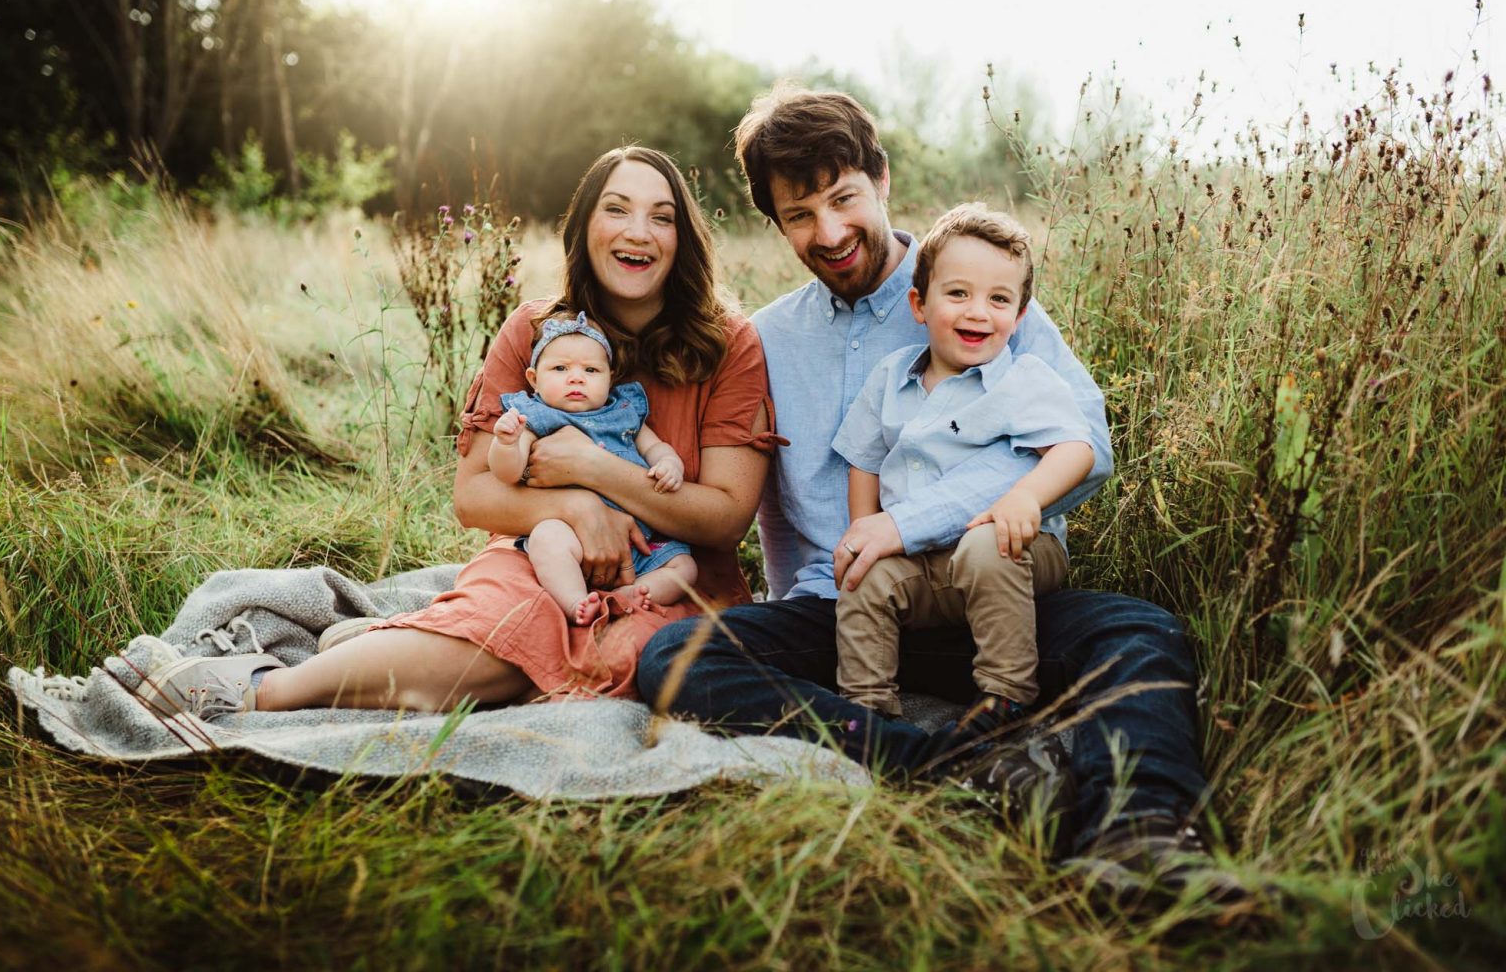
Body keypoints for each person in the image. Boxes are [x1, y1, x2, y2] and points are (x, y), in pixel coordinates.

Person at [638, 85, 1219, 882]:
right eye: (799, 214)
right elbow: (707, 479)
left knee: (1139, 633)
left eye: (843, 198)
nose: (830, 231)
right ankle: (959, 762)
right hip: (846, 608)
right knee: (679, 658)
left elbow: (1085, 442)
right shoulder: (763, 339)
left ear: (881, 180)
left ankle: (1143, 834)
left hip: (998, 595)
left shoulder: (969, 286)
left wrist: (912, 525)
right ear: (775, 224)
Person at [137, 145, 778, 719]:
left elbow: (725, 519)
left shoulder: (728, 344)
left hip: (668, 581)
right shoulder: (533, 331)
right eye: (617, 209)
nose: (639, 232)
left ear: (682, 237)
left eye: (662, 216)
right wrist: (576, 506)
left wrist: (594, 468)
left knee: (621, 656)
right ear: (584, 228)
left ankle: (398, 647)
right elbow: (473, 497)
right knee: (513, 631)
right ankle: (264, 687)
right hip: (542, 554)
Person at [831, 202, 1096, 724]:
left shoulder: (1023, 380)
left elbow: (1077, 449)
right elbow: (863, 458)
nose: (978, 312)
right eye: (958, 293)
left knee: (984, 544)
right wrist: (863, 529)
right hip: (923, 566)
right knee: (865, 578)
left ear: (1019, 317)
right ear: (919, 304)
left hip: (1016, 551)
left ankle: (1006, 694)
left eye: (999, 299)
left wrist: (1026, 496)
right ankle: (867, 709)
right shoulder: (890, 378)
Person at [489, 309, 698, 625]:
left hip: (638, 544)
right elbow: (509, 472)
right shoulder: (536, 416)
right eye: (560, 368)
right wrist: (505, 444)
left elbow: (653, 446)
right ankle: (576, 603)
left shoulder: (624, 412)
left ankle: (633, 594)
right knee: (546, 538)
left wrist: (669, 463)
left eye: (591, 369)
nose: (576, 378)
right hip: (571, 537)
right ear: (534, 378)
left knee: (684, 567)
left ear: (610, 377)